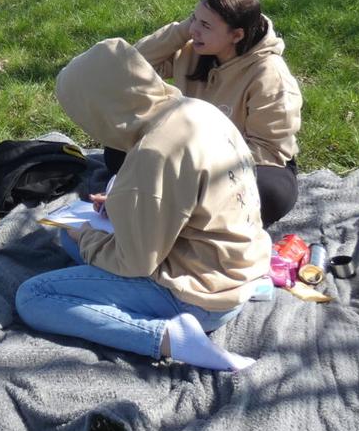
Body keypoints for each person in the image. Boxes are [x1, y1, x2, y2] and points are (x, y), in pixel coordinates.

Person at [15, 38, 272, 371]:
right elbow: (188, 196)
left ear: (103, 108)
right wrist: (123, 204)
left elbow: (134, 261)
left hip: (201, 296)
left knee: (34, 297)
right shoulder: (197, 110)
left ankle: (170, 336)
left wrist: (88, 238)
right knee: (66, 235)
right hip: (238, 265)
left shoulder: (156, 151)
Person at [105, 0, 302, 226]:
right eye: (194, 19)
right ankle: (175, 209)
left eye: (205, 25)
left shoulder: (269, 74)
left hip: (242, 164)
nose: (195, 30)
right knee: (116, 150)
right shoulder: (193, 50)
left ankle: (177, 213)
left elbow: (269, 150)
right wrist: (181, 31)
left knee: (270, 193)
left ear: (237, 35)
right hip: (186, 150)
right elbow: (132, 65)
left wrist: (200, 165)